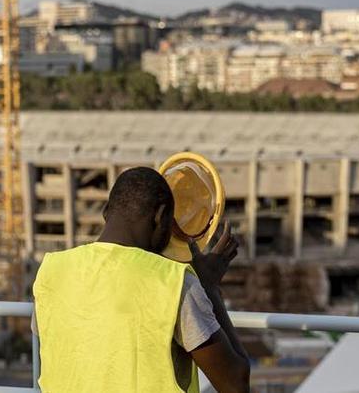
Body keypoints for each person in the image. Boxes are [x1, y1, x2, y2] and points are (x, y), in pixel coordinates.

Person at [32, 167, 251, 392]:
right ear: (161, 216)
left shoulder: (51, 271)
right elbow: (235, 384)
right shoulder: (175, 284)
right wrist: (209, 286)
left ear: (106, 212)